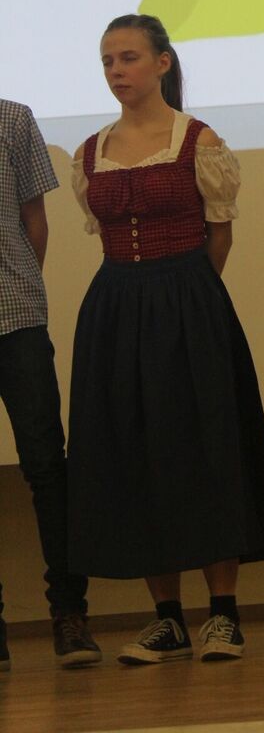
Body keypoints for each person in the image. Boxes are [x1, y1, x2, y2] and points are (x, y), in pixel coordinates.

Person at [68, 15, 264, 664]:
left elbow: (219, 233)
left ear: (162, 63)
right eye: (108, 60)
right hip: (115, 307)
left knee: (206, 446)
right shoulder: (89, 152)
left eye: (128, 57)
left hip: (189, 302)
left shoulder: (200, 140)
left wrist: (187, 297)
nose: (116, 70)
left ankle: (223, 614)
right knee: (134, 450)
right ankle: (167, 618)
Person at [0, 100, 101, 670]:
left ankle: (69, 615)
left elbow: (34, 218)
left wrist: (20, 287)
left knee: (45, 465)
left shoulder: (13, 119)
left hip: (15, 315)